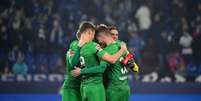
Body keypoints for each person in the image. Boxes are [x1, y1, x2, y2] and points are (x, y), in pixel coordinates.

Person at [72, 26, 133, 101]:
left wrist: (81, 71)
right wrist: (124, 51)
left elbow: (102, 67)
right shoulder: (121, 45)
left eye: (98, 39)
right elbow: (133, 66)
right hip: (125, 88)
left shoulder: (105, 51)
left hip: (113, 90)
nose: (99, 42)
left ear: (101, 37)